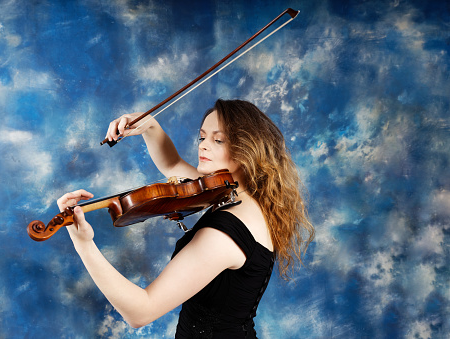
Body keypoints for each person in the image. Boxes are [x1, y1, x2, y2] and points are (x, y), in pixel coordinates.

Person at [57, 99, 315, 338]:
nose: (203, 145)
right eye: (202, 137)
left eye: (219, 140)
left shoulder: (224, 235)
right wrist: (149, 125)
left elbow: (140, 312)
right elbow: (172, 164)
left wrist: (84, 245)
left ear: (247, 149)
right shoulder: (241, 197)